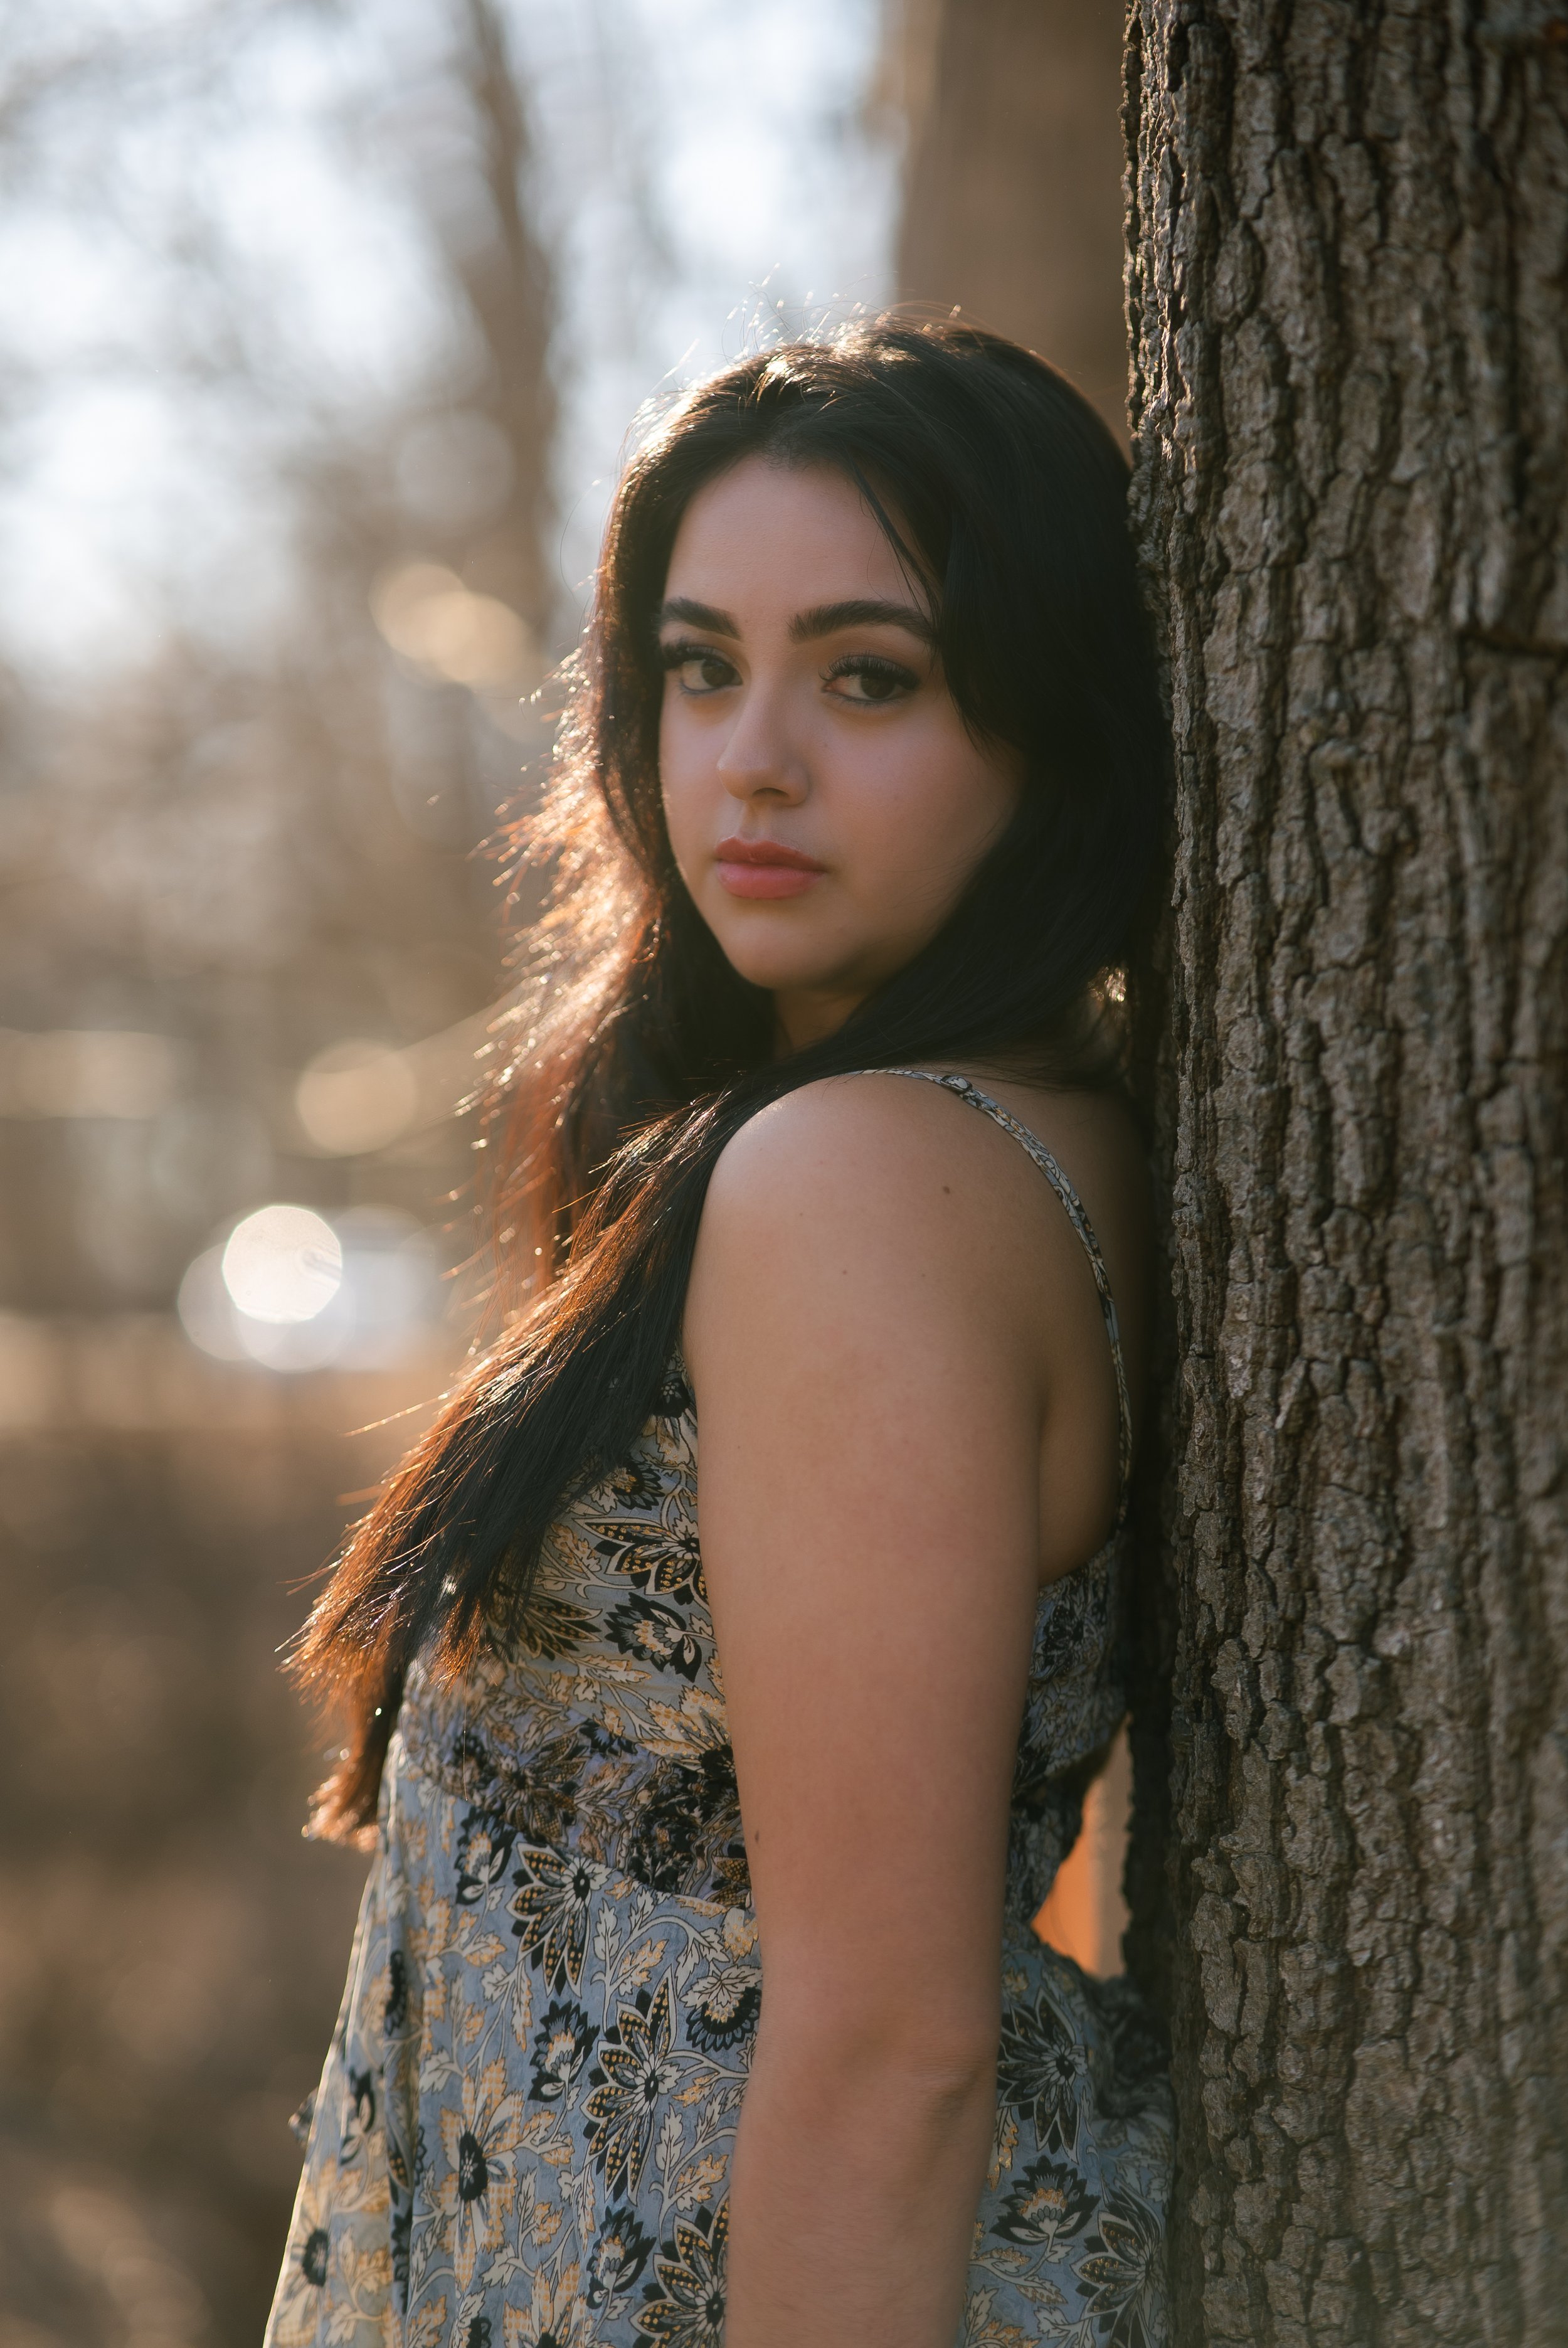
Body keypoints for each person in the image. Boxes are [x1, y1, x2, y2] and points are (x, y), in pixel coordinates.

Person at [266, 316, 1173, 2348]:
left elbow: (891, 2043)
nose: (750, 756)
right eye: (700, 666)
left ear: (1050, 723)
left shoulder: (854, 1184)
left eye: (872, 676)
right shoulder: (1016, 1132)